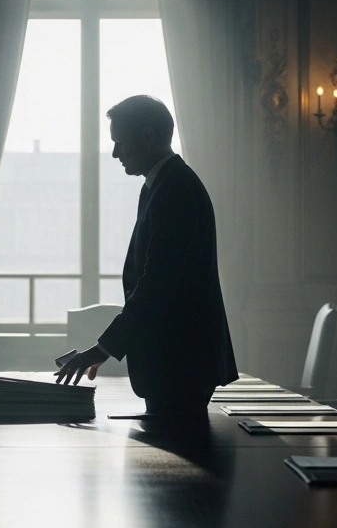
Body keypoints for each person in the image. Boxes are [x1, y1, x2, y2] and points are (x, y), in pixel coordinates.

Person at [54, 95, 238, 418]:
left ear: (148, 136)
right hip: (179, 363)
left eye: (120, 142)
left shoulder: (174, 191)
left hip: (180, 364)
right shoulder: (164, 185)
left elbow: (156, 285)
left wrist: (101, 350)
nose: (115, 153)